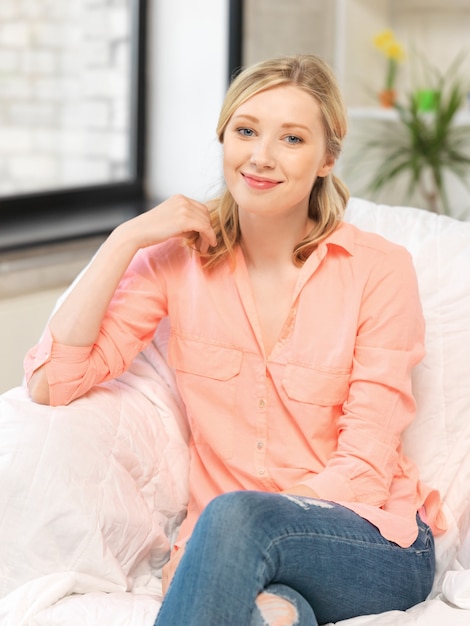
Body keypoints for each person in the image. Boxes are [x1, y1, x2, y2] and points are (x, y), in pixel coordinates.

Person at [25, 55, 444, 625]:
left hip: (366, 543)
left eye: (292, 138)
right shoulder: (177, 261)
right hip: (225, 551)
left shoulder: (379, 270)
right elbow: (55, 382)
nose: (261, 156)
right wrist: (124, 238)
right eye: (245, 131)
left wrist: (242, 526)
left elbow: (365, 467)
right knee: (269, 614)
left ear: (326, 159)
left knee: (235, 518)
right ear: (223, 137)